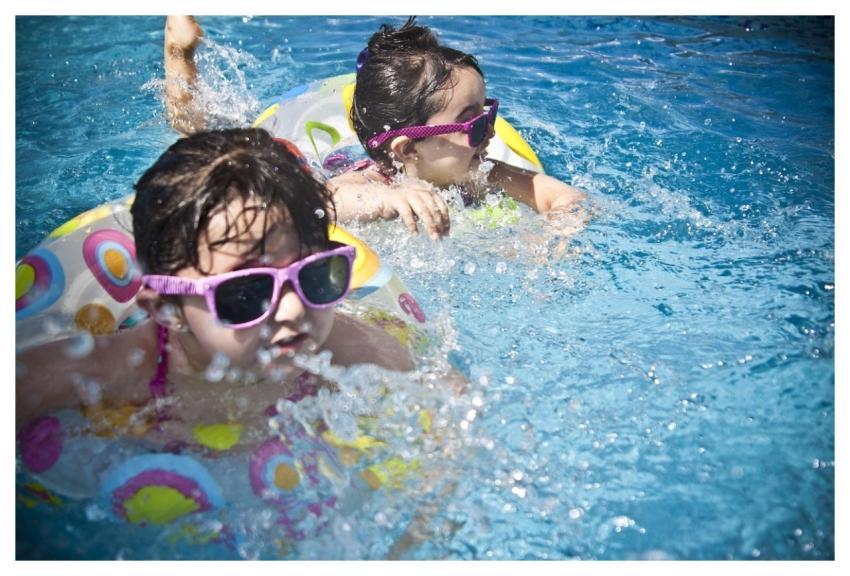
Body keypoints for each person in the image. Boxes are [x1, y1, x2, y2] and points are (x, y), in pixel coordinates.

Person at [16, 129, 413, 441]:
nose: (294, 310)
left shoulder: (352, 352)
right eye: (247, 292)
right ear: (165, 310)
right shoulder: (104, 374)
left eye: (314, 276)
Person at [162, 16, 587, 241]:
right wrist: (389, 198)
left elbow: (560, 195)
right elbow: (324, 203)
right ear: (406, 151)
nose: (489, 134)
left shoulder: (483, 173)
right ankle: (179, 55)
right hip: (320, 165)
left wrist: (560, 230)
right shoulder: (372, 178)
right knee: (205, 147)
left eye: (488, 115)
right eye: (472, 125)